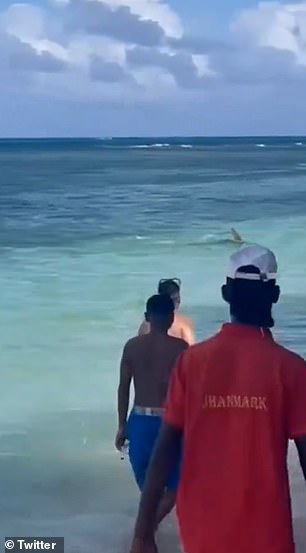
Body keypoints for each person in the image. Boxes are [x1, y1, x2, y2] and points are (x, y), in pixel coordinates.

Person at [130, 245, 306, 553]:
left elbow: (165, 450)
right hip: (267, 537)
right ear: (274, 294)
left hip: (202, 535)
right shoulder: (290, 369)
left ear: (226, 293)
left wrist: (143, 534)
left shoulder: (192, 362)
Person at [115, 294, 188, 550]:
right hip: (170, 423)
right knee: (177, 487)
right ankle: (145, 532)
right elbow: (188, 393)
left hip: (140, 421)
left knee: (149, 490)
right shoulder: (181, 349)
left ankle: (145, 535)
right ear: (171, 318)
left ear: (146, 318)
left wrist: (122, 424)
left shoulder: (132, 346)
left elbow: (123, 388)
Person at [138, 279, 195, 345]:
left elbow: (140, 349)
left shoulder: (147, 323)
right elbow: (191, 349)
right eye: (176, 299)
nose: (179, 301)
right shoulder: (183, 324)